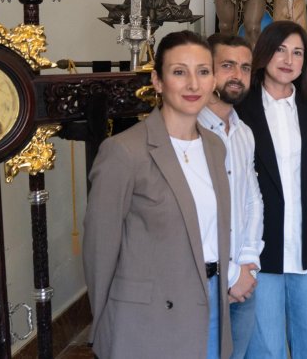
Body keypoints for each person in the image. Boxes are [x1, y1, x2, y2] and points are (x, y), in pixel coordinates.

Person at [84, 31, 232, 359]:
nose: (193, 84)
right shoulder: (124, 152)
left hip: (209, 301)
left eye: (203, 71)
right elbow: (99, 249)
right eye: (180, 72)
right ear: (158, 81)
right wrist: (104, 323)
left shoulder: (215, 147)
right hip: (147, 317)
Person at [235, 21, 307, 358]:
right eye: (281, 49)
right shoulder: (242, 110)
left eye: (297, 52)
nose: (288, 59)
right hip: (260, 252)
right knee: (265, 349)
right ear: (264, 53)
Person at [197, 34, 264, 358]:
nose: (237, 75)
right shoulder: (188, 132)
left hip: (244, 277)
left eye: (245, 67)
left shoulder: (243, 133)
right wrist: (232, 273)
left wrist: (249, 261)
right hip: (204, 282)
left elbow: (252, 200)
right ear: (206, 71)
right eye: (227, 66)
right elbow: (196, 217)